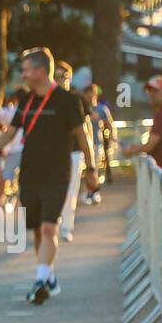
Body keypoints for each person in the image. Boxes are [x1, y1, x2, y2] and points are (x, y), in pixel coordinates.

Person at [0, 48, 98, 304]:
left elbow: (83, 137)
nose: (22, 74)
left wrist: (91, 170)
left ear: (39, 71)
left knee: (49, 227)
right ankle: (49, 276)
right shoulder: (26, 101)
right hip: (30, 173)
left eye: (26, 69)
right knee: (37, 230)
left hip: (58, 173)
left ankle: (39, 280)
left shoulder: (68, 101)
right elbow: (11, 131)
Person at [53, 61, 93, 243]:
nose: (60, 80)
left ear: (69, 78)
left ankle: (66, 226)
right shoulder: (48, 99)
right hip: (53, 152)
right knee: (52, 189)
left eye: (63, 76)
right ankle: (54, 220)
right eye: (56, 76)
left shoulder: (77, 100)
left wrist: (91, 158)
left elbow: (87, 128)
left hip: (74, 152)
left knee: (70, 191)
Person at [123, 74, 162, 180]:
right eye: (149, 91)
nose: (151, 94)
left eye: (155, 91)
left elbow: (149, 146)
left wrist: (131, 151)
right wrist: (137, 147)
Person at [84, 84, 114, 201]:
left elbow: (109, 124)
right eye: (87, 94)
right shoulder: (81, 107)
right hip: (82, 144)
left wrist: (111, 137)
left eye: (91, 94)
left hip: (96, 143)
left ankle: (94, 192)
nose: (89, 97)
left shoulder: (102, 109)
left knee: (93, 168)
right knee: (84, 171)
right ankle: (87, 191)